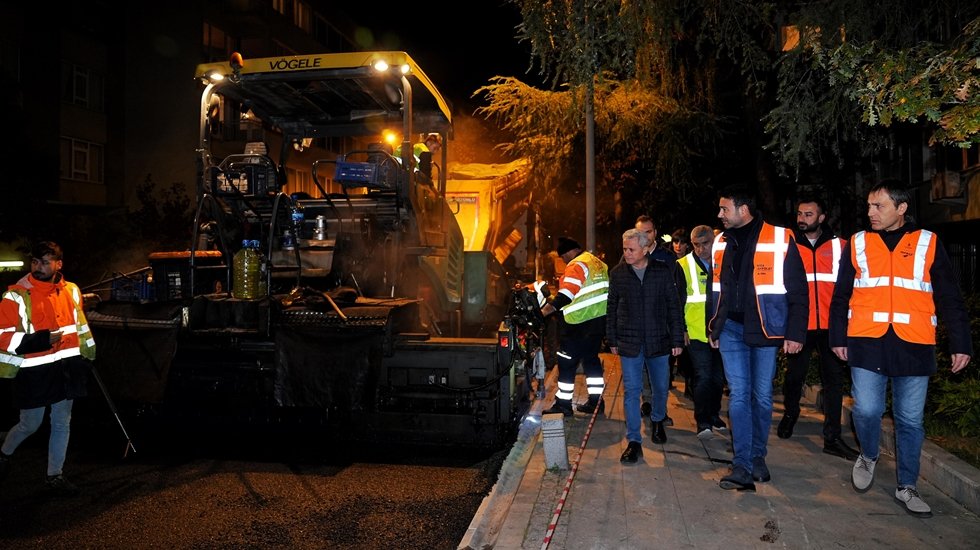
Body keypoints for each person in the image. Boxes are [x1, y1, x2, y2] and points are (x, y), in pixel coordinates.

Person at [830, 181, 972, 517]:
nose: (870, 212)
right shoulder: (858, 243)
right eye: (869, 205)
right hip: (867, 340)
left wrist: (961, 342)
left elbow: (949, 296)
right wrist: (837, 337)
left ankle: (907, 485)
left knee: (909, 419)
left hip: (914, 343)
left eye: (878, 206)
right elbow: (841, 295)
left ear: (902, 208)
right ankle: (869, 454)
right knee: (866, 410)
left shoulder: (927, 242)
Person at [708, 185, 808, 491]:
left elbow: (799, 290)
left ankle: (757, 456)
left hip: (766, 329)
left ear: (743, 209)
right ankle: (741, 464)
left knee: (762, 396)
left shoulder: (781, 238)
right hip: (730, 330)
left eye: (724, 209)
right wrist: (713, 326)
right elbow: (715, 288)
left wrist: (795, 332)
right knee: (739, 394)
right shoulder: (720, 242)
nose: (720, 214)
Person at [0, 241, 96, 495]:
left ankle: (55, 476)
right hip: (34, 373)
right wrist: (40, 340)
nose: (38, 267)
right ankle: (4, 453)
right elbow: (2, 336)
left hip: (66, 370)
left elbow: (79, 327)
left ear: (58, 264)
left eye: (44, 262)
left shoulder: (72, 291)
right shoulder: (16, 295)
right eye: (35, 261)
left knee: (62, 423)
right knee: (30, 425)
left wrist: (86, 356)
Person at [777, 197, 860, 461]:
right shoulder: (788, 246)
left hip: (832, 327)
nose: (802, 219)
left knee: (834, 381)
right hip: (800, 326)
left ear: (822, 218)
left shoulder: (841, 247)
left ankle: (832, 437)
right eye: (800, 214)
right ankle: (791, 413)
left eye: (809, 214)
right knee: (794, 376)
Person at [606, 228, 684, 463]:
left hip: (658, 340)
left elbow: (673, 307)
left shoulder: (662, 271)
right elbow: (611, 308)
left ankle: (658, 419)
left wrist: (677, 339)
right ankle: (634, 441)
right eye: (624, 249)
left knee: (660, 387)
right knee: (632, 391)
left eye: (631, 249)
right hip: (629, 342)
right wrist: (612, 339)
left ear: (645, 249)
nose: (627, 253)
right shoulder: (618, 274)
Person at [541, 237, 609, 416]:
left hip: (578, 324)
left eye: (563, 257)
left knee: (566, 363)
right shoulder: (598, 263)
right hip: (597, 323)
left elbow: (565, 295)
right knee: (591, 362)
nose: (564, 261)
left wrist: (545, 311)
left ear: (568, 252)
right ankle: (596, 403)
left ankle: (563, 405)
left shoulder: (576, 265)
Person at [681, 225, 727, 439]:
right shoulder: (682, 265)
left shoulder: (724, 261)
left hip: (721, 332)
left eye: (705, 244)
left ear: (713, 241)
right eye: (696, 245)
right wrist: (681, 329)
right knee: (703, 376)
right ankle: (703, 421)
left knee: (718, 378)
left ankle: (714, 414)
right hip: (696, 332)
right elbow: (676, 301)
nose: (700, 249)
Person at [634, 215, 681, 425]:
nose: (644, 236)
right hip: (638, 324)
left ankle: (660, 409)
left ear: (655, 233)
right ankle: (647, 402)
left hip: (662, 324)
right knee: (642, 367)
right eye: (640, 232)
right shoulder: (630, 255)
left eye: (648, 231)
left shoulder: (668, 258)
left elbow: (677, 292)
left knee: (662, 370)